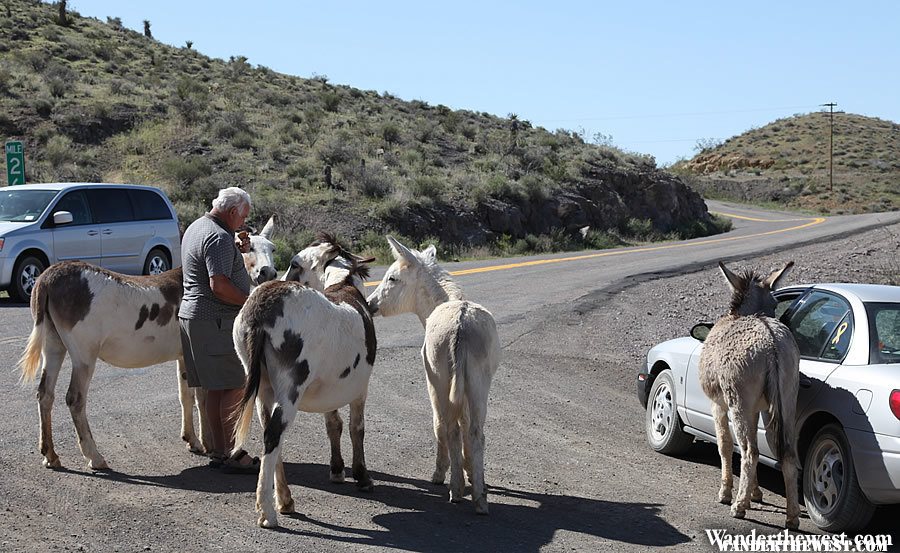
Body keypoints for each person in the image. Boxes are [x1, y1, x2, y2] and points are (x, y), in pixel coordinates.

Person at [178, 187, 259, 473]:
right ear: (233, 211)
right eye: (243, 216)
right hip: (217, 321)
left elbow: (209, 263)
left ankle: (219, 451)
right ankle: (234, 452)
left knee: (216, 388)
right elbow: (219, 285)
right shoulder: (219, 238)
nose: (244, 222)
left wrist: (236, 252)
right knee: (236, 386)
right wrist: (251, 302)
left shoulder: (197, 227)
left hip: (195, 320)